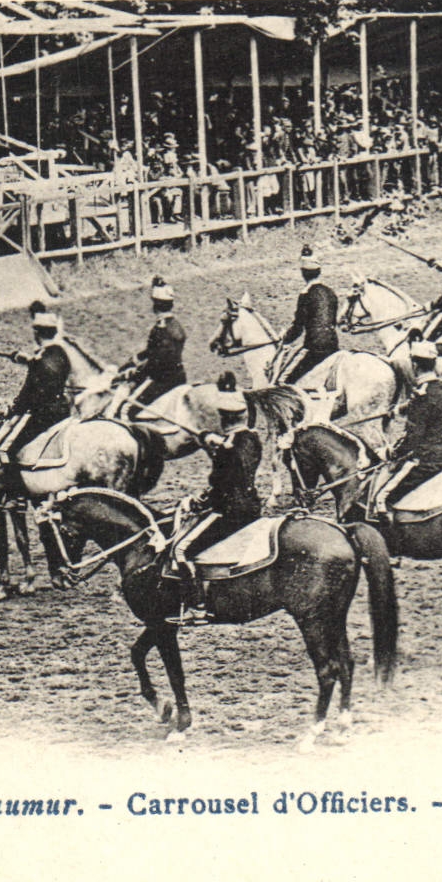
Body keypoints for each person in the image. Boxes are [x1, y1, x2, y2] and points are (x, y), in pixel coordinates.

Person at [166, 373, 264, 626]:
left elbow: (226, 479)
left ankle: (197, 608)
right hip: (249, 505)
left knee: (181, 549)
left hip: (230, 510)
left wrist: (201, 500)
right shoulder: (251, 438)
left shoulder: (231, 447)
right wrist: (215, 442)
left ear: (224, 418)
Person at [372, 341, 442, 519]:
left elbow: (413, 438)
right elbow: (430, 408)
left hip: (423, 460)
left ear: (415, 365)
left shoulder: (422, 395)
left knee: (380, 498)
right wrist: (401, 409)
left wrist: (390, 453)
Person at [0, 304, 74, 488]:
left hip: (44, 415)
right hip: (63, 411)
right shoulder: (61, 353)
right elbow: (45, 364)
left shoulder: (40, 360)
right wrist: (27, 360)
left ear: (37, 334)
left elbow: (28, 393)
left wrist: (13, 410)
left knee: (9, 450)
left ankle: (15, 495)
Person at [121, 277, 186, 407]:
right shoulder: (176, 325)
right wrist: (135, 359)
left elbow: (157, 361)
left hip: (162, 380)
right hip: (178, 376)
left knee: (126, 409)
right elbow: (153, 351)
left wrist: (135, 374)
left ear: (155, 306)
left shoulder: (161, 329)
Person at [279, 244, 341, 379]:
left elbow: (298, 328)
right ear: (319, 271)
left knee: (287, 380)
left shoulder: (305, 295)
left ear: (303, 274)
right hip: (333, 345)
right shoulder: (331, 292)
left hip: (314, 348)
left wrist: (284, 339)